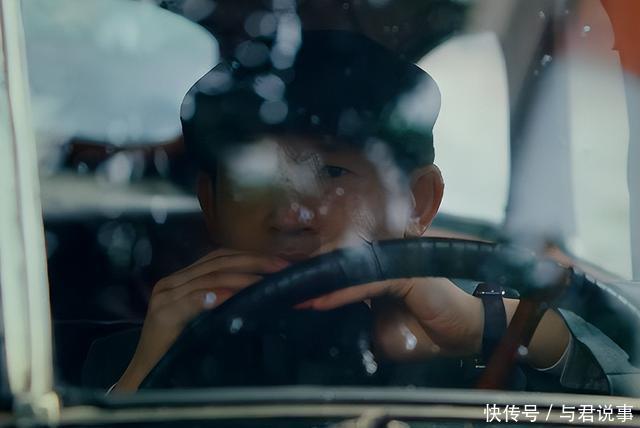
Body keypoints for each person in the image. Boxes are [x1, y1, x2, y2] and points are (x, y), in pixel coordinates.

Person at [83, 30, 572, 392]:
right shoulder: (145, 350)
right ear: (210, 204)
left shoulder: (457, 344)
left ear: (417, 202)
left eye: (333, 174)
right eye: (256, 181)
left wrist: (484, 325)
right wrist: (142, 376)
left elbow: (601, 385)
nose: (290, 217)